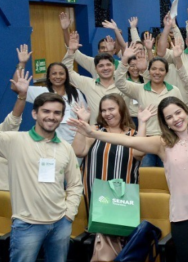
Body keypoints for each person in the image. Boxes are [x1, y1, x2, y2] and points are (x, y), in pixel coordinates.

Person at [68, 96, 188, 262]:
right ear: (165, 123)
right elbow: (128, 140)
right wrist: (93, 133)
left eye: (178, 112)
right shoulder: (162, 143)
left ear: (187, 112)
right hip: (183, 217)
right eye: (169, 117)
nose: (176, 119)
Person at [0, 85, 83, 262]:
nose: (51, 116)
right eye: (46, 111)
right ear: (35, 114)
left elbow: (75, 184)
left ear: (61, 116)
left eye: (57, 113)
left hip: (60, 224)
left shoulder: (66, 148)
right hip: (27, 225)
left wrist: (69, 215)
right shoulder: (15, 141)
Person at [70, 95, 149, 261]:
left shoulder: (134, 134)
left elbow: (139, 152)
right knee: (103, 239)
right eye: (103, 110)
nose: (107, 113)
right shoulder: (95, 131)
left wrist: (143, 123)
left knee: (119, 240)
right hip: (97, 198)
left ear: (121, 109)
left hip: (123, 200)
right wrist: (81, 124)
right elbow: (78, 151)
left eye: (111, 109)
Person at [17, 45, 87, 144]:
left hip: (74, 144)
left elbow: (84, 117)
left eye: (61, 73)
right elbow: (16, 87)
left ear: (66, 76)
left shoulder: (76, 93)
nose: (58, 76)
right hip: (49, 142)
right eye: (54, 73)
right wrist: (22, 63)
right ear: (48, 77)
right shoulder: (41, 92)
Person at [63, 32, 130, 125]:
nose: (105, 68)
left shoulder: (124, 85)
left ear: (114, 67)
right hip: (97, 133)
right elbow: (67, 72)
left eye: (108, 65)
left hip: (121, 133)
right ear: (95, 69)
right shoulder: (88, 84)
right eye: (101, 66)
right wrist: (70, 51)